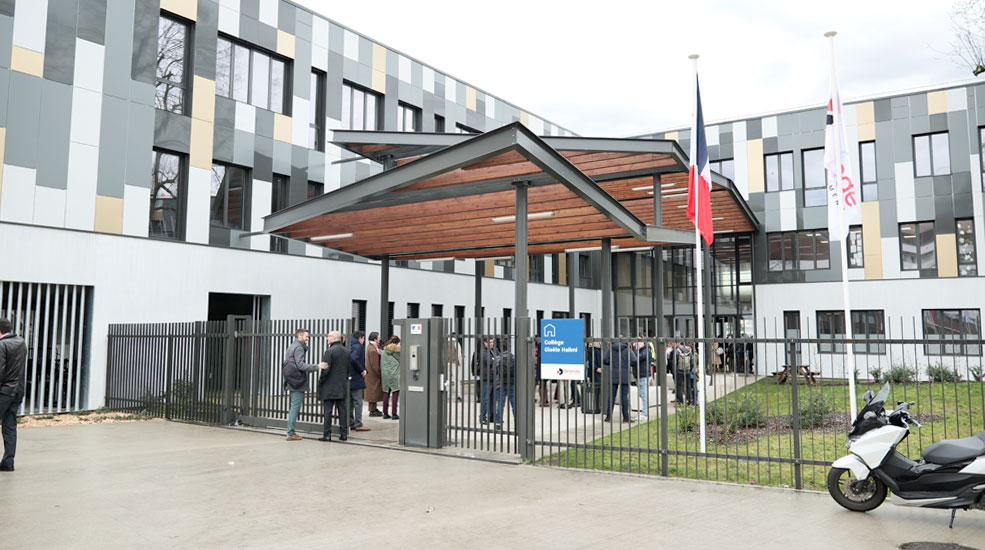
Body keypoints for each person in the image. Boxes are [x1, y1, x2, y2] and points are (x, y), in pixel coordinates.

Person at [283, 328, 328, 441]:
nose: (308, 339)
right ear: (300, 336)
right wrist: (317, 366)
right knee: (295, 406)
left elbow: (294, 364)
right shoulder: (298, 348)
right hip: (297, 381)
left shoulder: (291, 346)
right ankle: (290, 432)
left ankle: (290, 431)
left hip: (291, 379)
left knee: (293, 405)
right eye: (306, 337)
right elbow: (301, 365)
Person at [0, 318, 27, 471]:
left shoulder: (2, 345)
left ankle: (7, 462)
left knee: (9, 426)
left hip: (4, 391)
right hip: (18, 391)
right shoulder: (21, 342)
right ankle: (8, 463)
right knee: (9, 426)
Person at [318, 331, 349, 442]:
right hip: (341, 385)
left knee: (328, 411)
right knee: (342, 411)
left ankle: (327, 434)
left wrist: (321, 381)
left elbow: (325, 369)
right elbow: (347, 369)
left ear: (334, 338)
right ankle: (344, 434)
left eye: (329, 336)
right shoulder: (346, 351)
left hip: (329, 386)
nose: (327, 338)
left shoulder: (329, 351)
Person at [602, 336, 637, 423]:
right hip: (624, 375)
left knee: (611, 396)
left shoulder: (611, 349)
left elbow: (605, 359)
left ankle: (608, 417)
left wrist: (612, 363)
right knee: (624, 397)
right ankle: (625, 417)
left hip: (613, 374)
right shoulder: (627, 349)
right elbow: (634, 360)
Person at [471, 336, 497, 425]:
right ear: (485, 343)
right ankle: (482, 417)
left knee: (493, 398)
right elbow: (490, 362)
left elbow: (498, 360)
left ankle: (492, 417)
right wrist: (495, 360)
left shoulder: (493, 351)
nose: (491, 344)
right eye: (489, 343)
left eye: (492, 342)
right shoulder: (483, 352)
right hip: (486, 378)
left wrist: (495, 359)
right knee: (485, 399)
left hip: (494, 377)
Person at [348, 330, 370, 432]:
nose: (363, 340)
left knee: (350, 402)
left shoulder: (348, 345)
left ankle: (350, 422)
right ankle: (359, 424)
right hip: (356, 377)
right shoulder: (357, 347)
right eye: (363, 338)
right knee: (358, 402)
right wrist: (362, 370)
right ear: (360, 338)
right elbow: (354, 359)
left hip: (349, 377)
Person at [494, 341, 516, 430]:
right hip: (512, 383)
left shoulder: (498, 358)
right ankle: (517, 422)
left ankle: (498, 423)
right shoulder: (513, 357)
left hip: (500, 383)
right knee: (514, 403)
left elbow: (494, 370)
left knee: (500, 403)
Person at [635, 336, 655, 419]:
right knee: (641, 393)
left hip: (644, 375)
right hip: (639, 375)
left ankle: (645, 413)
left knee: (643, 394)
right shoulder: (641, 350)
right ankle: (645, 411)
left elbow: (637, 358)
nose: (635, 344)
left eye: (637, 343)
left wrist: (636, 350)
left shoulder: (646, 350)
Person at [380, 336, 401, 419]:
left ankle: (385, 413)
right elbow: (402, 360)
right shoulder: (396, 351)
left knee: (386, 393)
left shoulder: (384, 351)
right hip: (395, 374)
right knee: (395, 393)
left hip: (385, 375)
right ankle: (394, 413)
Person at [364, 332, 383, 417]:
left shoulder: (370, 347)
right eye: (378, 338)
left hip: (370, 374)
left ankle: (373, 409)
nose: (379, 340)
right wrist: (379, 373)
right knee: (373, 393)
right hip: (373, 375)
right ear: (375, 339)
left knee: (372, 392)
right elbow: (375, 364)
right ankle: (372, 410)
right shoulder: (373, 350)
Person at [584, 341, 603, 414]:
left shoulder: (596, 350)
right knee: (596, 389)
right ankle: (597, 405)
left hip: (596, 370)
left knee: (597, 389)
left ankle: (597, 405)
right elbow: (591, 361)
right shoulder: (592, 350)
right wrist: (597, 368)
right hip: (595, 371)